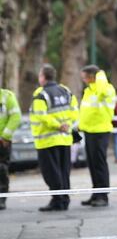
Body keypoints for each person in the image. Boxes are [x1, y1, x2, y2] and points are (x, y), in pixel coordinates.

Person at [31, 64, 78, 211]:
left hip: (47, 141)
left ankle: (58, 200)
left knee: (51, 172)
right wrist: (66, 126)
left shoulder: (41, 94)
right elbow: (74, 111)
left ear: (43, 77)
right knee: (64, 172)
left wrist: (58, 125)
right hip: (65, 139)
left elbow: (41, 116)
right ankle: (64, 199)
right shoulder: (66, 91)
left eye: (40, 75)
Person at [77, 65, 116, 207]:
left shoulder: (106, 88)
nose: (84, 80)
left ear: (93, 76)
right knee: (93, 164)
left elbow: (102, 90)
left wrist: (100, 75)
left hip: (101, 131)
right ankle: (96, 193)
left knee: (100, 164)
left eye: (86, 77)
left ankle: (103, 196)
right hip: (89, 131)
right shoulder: (88, 91)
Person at [0, 88, 22, 210]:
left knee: (1, 169)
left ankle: (1, 198)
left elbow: (16, 116)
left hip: (2, 141)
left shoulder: (7, 96)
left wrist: (5, 136)